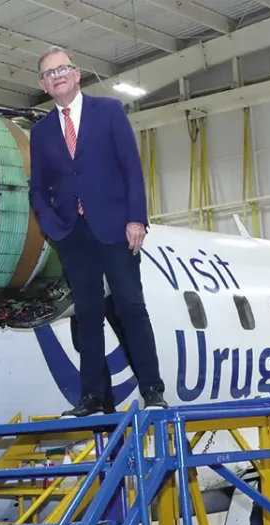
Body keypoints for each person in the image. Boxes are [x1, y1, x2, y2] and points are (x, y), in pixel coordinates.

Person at [29, 46, 167, 418]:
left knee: (131, 307)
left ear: (76, 74)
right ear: (43, 85)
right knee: (86, 314)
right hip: (73, 234)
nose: (57, 76)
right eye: (49, 73)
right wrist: (53, 228)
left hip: (116, 228)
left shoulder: (108, 111)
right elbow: (38, 188)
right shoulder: (41, 132)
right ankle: (91, 398)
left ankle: (153, 389)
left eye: (62, 69)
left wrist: (136, 219)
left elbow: (131, 168)